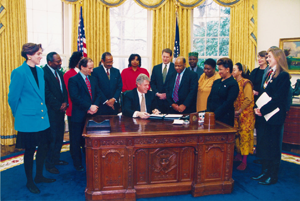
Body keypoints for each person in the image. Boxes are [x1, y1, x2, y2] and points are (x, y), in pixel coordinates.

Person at [8, 43, 56, 194]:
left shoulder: (40, 72)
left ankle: (39, 175)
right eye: (38, 54)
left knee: (44, 147)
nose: (41, 56)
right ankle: (30, 181)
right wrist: (20, 114)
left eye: (41, 53)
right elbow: (13, 98)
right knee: (29, 151)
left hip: (42, 118)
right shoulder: (19, 72)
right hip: (28, 120)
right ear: (29, 55)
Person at [252, 47, 291, 185]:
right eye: (267, 57)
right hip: (264, 115)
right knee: (264, 146)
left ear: (278, 58)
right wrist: (258, 108)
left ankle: (272, 175)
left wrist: (263, 109)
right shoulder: (269, 73)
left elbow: (278, 98)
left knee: (273, 147)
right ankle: (264, 172)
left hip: (274, 116)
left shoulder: (284, 75)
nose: (267, 59)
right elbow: (265, 94)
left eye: (269, 57)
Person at [68, 57, 101, 171]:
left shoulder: (93, 79)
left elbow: (98, 94)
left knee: (90, 141)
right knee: (76, 141)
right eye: (90, 68)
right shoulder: (73, 80)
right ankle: (77, 163)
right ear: (82, 67)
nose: (92, 70)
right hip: (78, 116)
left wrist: (95, 106)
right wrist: (88, 107)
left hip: (92, 115)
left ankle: (90, 160)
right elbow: (75, 98)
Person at [43, 52, 69, 175]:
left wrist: (65, 102)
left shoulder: (59, 73)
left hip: (60, 111)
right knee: (51, 139)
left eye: (60, 61)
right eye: (57, 61)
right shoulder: (43, 73)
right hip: (51, 112)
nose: (60, 63)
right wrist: (58, 105)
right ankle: (49, 164)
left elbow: (64, 90)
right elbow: (46, 93)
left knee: (59, 136)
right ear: (49, 62)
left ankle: (56, 159)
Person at [231, 63, 255, 171]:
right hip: (236, 114)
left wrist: (240, 110)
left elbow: (248, 99)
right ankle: (238, 156)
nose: (233, 72)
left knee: (244, 136)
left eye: (235, 70)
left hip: (246, 115)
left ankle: (244, 161)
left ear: (240, 71)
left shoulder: (246, 83)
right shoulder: (235, 83)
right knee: (236, 135)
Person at [206, 58, 239, 127]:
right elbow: (210, 98)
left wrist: (215, 114)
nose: (219, 72)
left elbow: (228, 102)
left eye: (221, 69)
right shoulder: (216, 82)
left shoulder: (233, 84)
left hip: (225, 118)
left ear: (227, 69)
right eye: (218, 69)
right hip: (211, 117)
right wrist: (209, 113)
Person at [150, 48, 175, 113]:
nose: (165, 59)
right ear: (161, 56)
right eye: (164, 56)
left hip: (170, 101)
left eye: (167, 57)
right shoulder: (156, 68)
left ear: (171, 57)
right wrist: (157, 94)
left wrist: (167, 95)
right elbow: (152, 82)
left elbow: (176, 84)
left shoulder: (175, 68)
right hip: (158, 100)